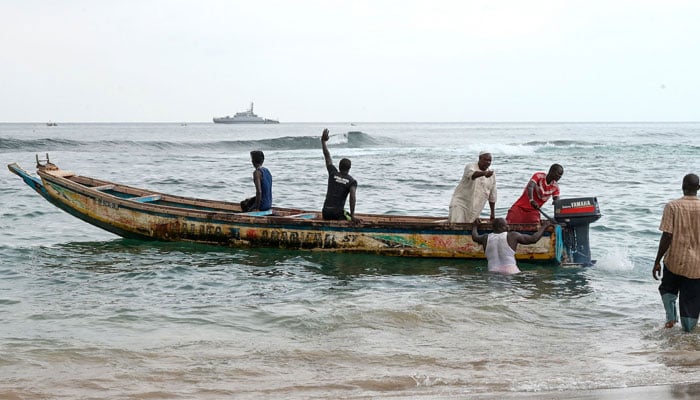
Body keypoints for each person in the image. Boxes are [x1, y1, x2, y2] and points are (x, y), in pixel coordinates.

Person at [652, 173, 700, 331]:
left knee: (667, 289)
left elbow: (667, 235)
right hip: (696, 266)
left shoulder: (672, 206)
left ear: (682, 186)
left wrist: (657, 260)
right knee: (691, 300)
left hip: (674, 260)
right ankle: (688, 333)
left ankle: (671, 319)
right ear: (698, 188)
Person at [472, 218, 553, 275]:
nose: (508, 227)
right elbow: (533, 239)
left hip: (492, 272)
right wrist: (544, 226)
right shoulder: (512, 236)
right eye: (506, 225)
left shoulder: (485, 238)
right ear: (502, 227)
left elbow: (475, 237)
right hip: (511, 272)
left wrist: (475, 226)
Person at [321, 128, 358, 222]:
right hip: (337, 214)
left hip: (326, 213)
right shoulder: (351, 181)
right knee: (348, 216)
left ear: (339, 166)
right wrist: (352, 216)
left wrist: (323, 141)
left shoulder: (333, 173)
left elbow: (327, 156)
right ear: (349, 168)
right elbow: (352, 197)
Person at [448, 151, 497, 223]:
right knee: (457, 224)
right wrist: (484, 173)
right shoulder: (470, 166)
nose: (488, 162)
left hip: (475, 208)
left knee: (469, 225)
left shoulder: (492, 175)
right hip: (461, 204)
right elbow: (473, 175)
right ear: (480, 158)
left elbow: (492, 196)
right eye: (486, 160)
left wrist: (492, 214)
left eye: (490, 160)